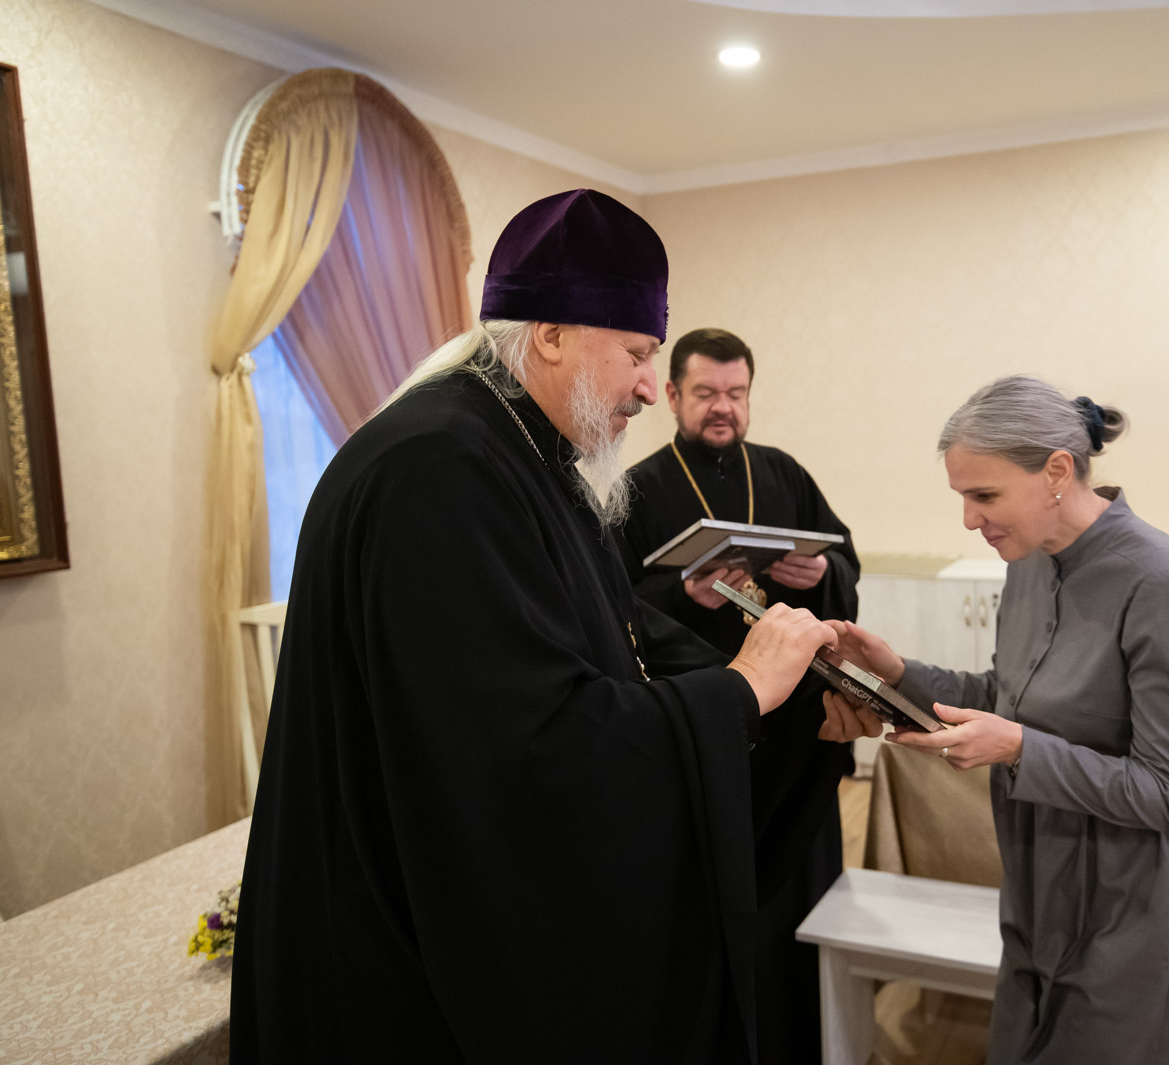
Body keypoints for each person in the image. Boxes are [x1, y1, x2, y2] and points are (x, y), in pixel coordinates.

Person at [231, 189, 877, 1064]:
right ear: (551, 335)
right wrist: (739, 690)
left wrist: (798, 693)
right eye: (638, 355)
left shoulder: (526, 453)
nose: (648, 387)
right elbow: (523, 755)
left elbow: (626, 641)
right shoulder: (441, 468)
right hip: (402, 975)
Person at [826, 375, 1169, 1065]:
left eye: (984, 496)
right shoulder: (1031, 562)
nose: (969, 519)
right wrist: (896, 674)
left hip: (1134, 912)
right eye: (962, 496)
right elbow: (1008, 696)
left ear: (1056, 472)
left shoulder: (1164, 584)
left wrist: (1018, 749)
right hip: (1039, 890)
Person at [616, 327, 860, 1065]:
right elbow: (613, 605)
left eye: (736, 393)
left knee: (800, 897)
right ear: (671, 395)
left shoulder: (782, 471)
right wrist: (682, 594)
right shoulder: (636, 489)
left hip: (798, 727)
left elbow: (844, 557)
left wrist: (820, 575)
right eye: (706, 393)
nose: (722, 407)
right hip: (705, 722)